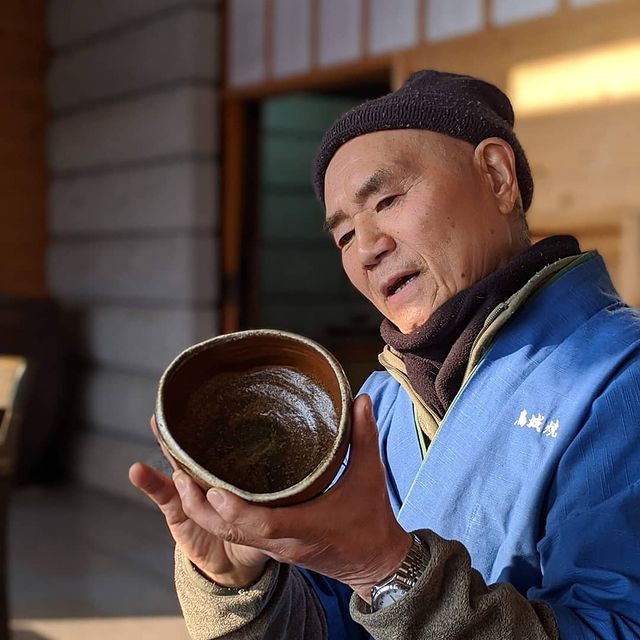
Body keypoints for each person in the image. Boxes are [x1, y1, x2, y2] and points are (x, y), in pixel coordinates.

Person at [129, 70, 640, 639]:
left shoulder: (620, 377)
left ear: (497, 177)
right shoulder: (380, 403)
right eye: (343, 236)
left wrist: (384, 567)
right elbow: (329, 624)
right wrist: (238, 587)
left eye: (388, 200)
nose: (368, 249)